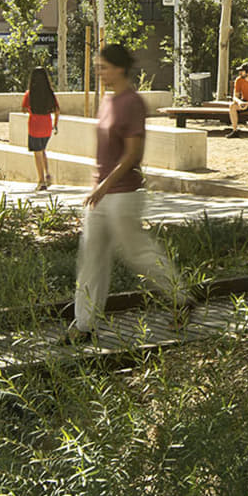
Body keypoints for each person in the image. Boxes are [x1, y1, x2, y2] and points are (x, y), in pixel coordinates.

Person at [65, 43, 181, 342]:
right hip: (101, 193)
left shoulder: (132, 102)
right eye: (98, 67)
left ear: (119, 68)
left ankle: (181, 299)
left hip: (123, 194)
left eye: (103, 67)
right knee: (91, 258)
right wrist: (98, 185)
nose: (99, 72)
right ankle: (83, 325)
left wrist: (103, 186)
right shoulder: (107, 100)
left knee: (137, 253)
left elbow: (132, 155)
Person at [22, 66, 60, 191]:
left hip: (34, 126)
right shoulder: (50, 93)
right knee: (43, 150)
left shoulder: (29, 94)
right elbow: (57, 110)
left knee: (37, 154)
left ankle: (41, 181)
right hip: (47, 126)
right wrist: (55, 124)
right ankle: (47, 173)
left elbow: (23, 109)